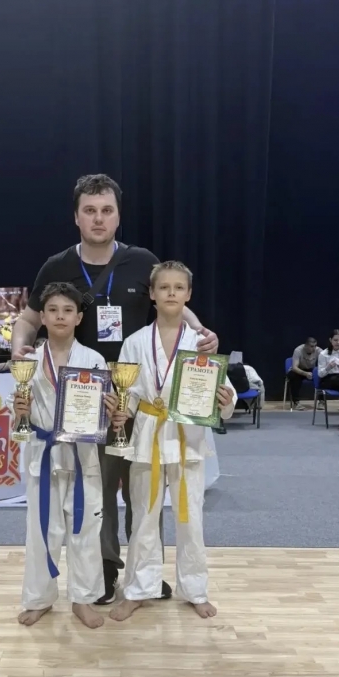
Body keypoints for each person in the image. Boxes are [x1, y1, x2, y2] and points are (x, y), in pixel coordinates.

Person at [12, 174, 219, 604]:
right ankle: (105, 569)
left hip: (140, 396)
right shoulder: (56, 266)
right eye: (89, 210)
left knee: (145, 485)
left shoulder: (142, 261)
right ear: (76, 216)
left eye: (106, 210)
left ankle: (145, 573)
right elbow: (29, 319)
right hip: (83, 400)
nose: (98, 218)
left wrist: (201, 332)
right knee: (99, 489)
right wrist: (19, 350)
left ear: (118, 215)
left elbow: (172, 301)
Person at [108, 261, 236, 622]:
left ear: (189, 294)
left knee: (190, 518)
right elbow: (128, 393)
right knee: (143, 518)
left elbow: (220, 388)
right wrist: (121, 410)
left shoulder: (201, 343)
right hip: (147, 436)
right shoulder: (135, 342)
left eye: (179, 288)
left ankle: (195, 590)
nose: (171, 293)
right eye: (164, 287)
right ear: (152, 293)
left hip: (187, 437)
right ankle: (138, 589)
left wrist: (226, 401)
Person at [13, 282, 119, 629]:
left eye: (68, 310)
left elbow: (103, 418)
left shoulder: (94, 360)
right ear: (42, 317)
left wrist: (111, 411)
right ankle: (39, 599)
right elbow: (18, 422)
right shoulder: (27, 362)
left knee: (86, 530)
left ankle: (83, 599)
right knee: (41, 531)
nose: (60, 316)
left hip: (82, 456)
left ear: (79, 318)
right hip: (43, 456)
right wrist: (19, 412)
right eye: (53, 310)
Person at [287, 337, 322, 409]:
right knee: (294, 377)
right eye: (311, 346)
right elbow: (294, 367)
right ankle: (296, 403)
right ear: (306, 346)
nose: (314, 348)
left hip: (311, 369)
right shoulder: (298, 350)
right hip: (299, 369)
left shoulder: (319, 351)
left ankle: (321, 402)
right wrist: (305, 373)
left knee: (322, 375)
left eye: (315, 346)